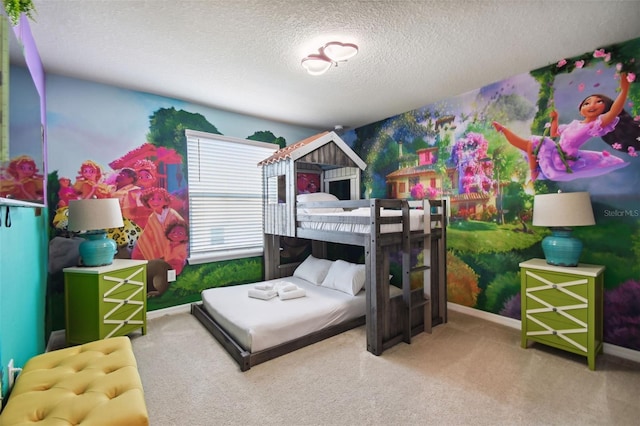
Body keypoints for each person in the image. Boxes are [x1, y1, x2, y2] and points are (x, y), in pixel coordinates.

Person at [493, 72, 634, 182]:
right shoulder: (574, 124)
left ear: (605, 108)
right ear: (581, 109)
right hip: (556, 149)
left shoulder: (595, 125)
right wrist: (555, 119)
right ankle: (506, 133)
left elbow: (615, 110)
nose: (591, 105)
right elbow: (554, 133)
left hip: (565, 157)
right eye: (587, 103)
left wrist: (624, 90)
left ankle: (533, 170)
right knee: (531, 144)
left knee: (534, 143)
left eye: (598, 102)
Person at [131, 187, 185, 261]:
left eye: (160, 199)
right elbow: (147, 234)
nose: (155, 202)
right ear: (147, 202)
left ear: (165, 201)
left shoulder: (172, 213)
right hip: (160, 246)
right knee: (141, 242)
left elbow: (183, 227)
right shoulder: (152, 218)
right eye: (152, 199)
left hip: (174, 245)